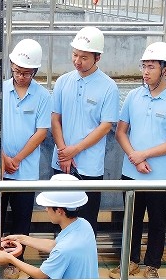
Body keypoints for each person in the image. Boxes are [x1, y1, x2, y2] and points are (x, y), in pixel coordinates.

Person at [110, 42, 166, 280]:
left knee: (157, 221)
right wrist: (134, 156)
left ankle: (152, 265)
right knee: (131, 220)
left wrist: (143, 154)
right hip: (131, 172)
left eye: (151, 67)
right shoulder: (134, 96)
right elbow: (120, 131)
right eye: (144, 66)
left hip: (159, 176)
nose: (145, 72)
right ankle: (130, 261)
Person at [0, 39, 51, 280]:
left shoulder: (42, 96)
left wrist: (16, 159)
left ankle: (15, 262)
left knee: (21, 219)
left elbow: (41, 132)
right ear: (10, 65)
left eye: (27, 73)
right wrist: (2, 159)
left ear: (35, 71)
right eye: (17, 71)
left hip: (25, 171)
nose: (21, 76)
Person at [50, 26, 120, 230]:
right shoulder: (63, 82)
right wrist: (64, 152)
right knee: (58, 218)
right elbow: (55, 118)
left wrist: (75, 150)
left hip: (89, 166)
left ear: (98, 57)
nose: (77, 61)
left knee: (86, 221)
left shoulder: (108, 87)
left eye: (84, 57)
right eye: (75, 55)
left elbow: (105, 126)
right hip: (61, 162)